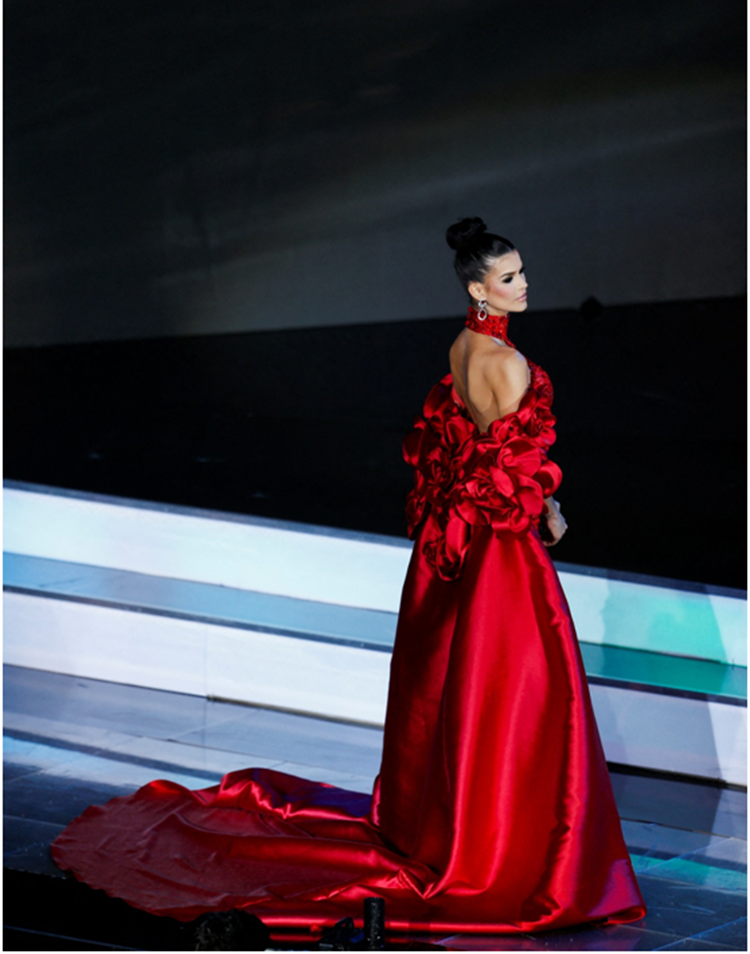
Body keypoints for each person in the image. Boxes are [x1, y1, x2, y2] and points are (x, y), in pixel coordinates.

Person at [51, 217, 645, 939]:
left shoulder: (461, 349)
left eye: (521, 273)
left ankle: (466, 832)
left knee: (465, 688)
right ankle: (514, 856)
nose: (524, 285)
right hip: (497, 546)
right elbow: (508, 463)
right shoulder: (511, 364)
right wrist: (546, 507)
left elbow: (460, 449)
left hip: (448, 542)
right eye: (510, 277)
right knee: (519, 694)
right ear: (477, 288)